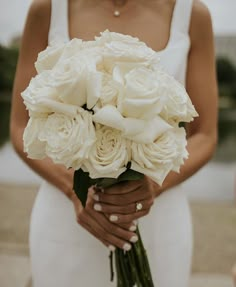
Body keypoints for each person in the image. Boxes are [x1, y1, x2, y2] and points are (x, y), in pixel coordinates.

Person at [10, 0, 218, 286]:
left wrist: (155, 183)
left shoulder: (192, 13)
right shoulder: (47, 9)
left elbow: (205, 133)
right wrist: (74, 189)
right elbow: (20, 126)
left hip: (158, 219)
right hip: (65, 220)